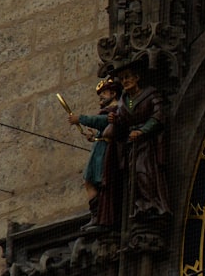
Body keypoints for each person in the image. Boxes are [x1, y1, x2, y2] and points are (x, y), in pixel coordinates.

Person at [114, 63, 171, 221]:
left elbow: (159, 116)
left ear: (137, 77)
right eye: (122, 79)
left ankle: (152, 203)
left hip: (148, 143)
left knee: (143, 171)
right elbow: (122, 121)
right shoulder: (127, 101)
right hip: (132, 144)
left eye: (127, 77)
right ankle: (141, 205)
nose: (125, 81)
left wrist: (143, 130)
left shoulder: (150, 94)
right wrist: (115, 120)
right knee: (134, 177)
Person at [68, 77, 122, 233]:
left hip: (106, 152)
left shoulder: (117, 109)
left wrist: (80, 119)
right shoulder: (110, 110)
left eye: (103, 93)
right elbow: (104, 128)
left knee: (95, 181)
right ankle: (95, 216)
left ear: (113, 93)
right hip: (100, 149)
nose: (101, 96)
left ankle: (98, 216)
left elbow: (102, 121)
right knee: (90, 181)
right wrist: (95, 137)